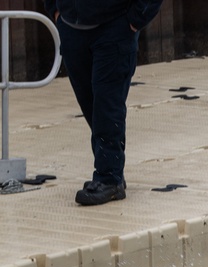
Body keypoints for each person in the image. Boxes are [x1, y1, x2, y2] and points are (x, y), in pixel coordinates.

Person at [44, 0, 163, 206]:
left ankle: (109, 178)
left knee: (107, 105)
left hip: (114, 26)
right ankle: (111, 168)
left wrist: (136, 19)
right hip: (71, 26)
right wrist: (55, 10)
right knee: (89, 104)